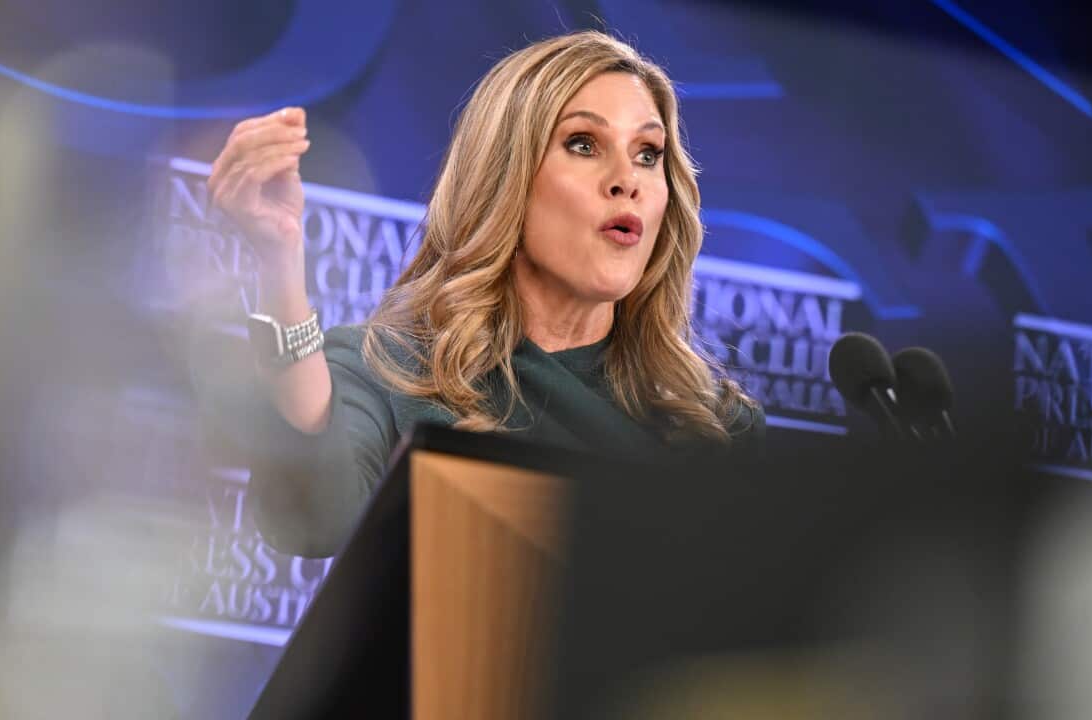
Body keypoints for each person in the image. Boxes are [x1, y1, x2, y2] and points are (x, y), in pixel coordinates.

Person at [199, 30, 764, 558]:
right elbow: (311, 518)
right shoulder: (392, 372)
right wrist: (280, 260)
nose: (628, 179)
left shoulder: (713, 428)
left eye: (648, 153)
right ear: (506, 177)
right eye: (584, 144)